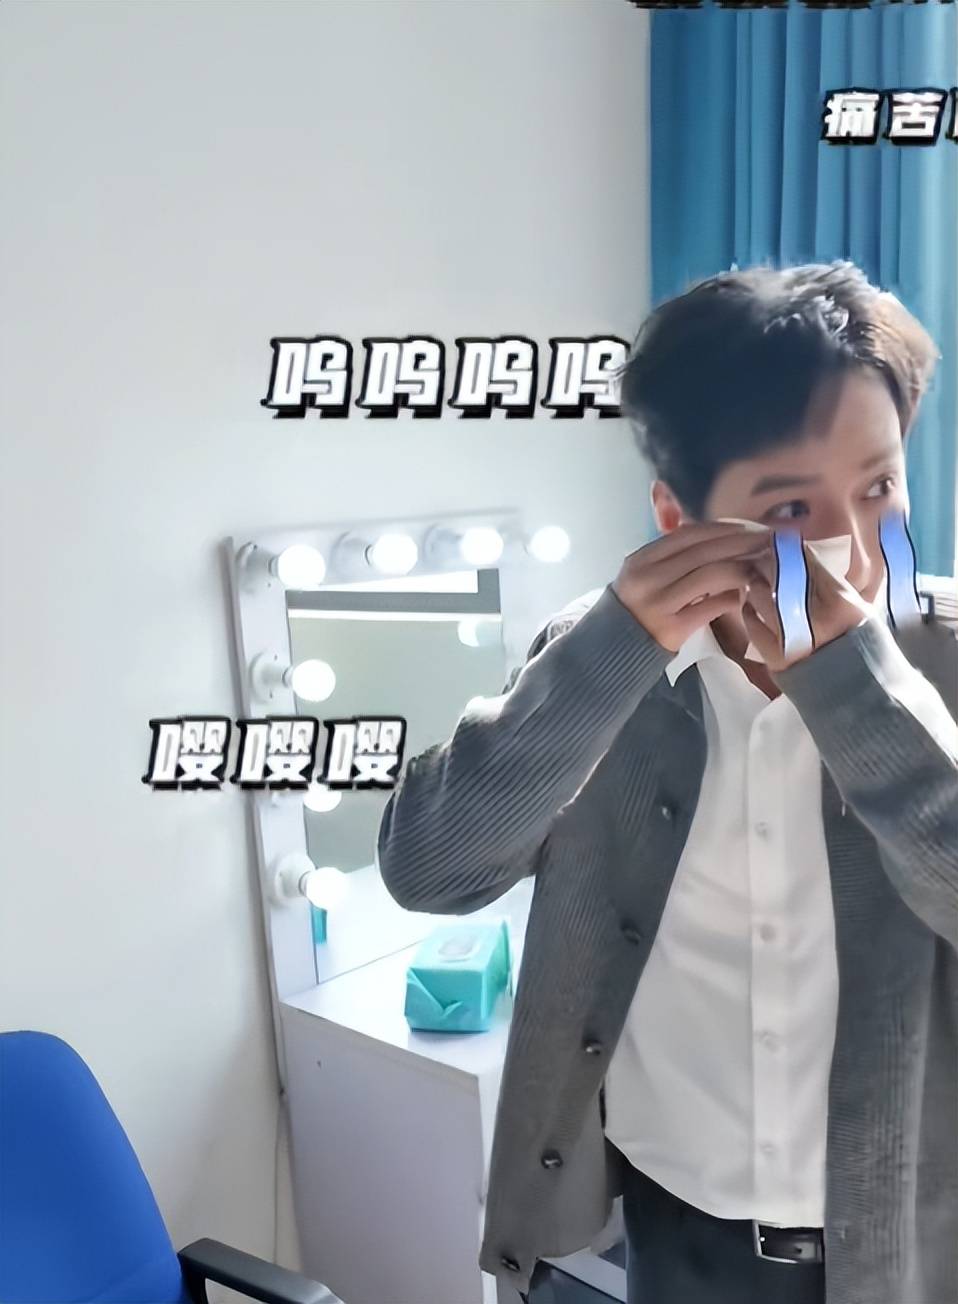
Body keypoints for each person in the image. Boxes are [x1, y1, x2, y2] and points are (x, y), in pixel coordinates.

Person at [376, 261, 958, 1304]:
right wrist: (607, 654)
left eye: (878, 487)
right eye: (791, 506)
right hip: (673, 1231)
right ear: (678, 515)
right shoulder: (599, 657)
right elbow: (429, 869)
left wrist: (861, 694)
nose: (855, 554)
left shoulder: (947, 656)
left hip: (914, 1243)